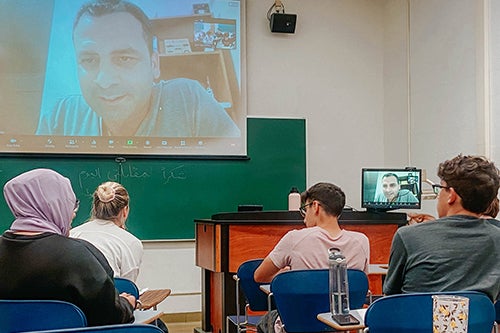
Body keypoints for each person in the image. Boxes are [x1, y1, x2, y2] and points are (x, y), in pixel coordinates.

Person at [35, 0, 240, 137]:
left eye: (124, 58)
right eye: (89, 60)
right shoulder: (61, 117)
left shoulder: (189, 99)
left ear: (154, 65)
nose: (105, 80)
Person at [0, 169, 135, 326]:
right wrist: (126, 303)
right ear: (55, 206)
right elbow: (111, 317)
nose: (72, 214)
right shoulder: (80, 256)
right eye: (70, 204)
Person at [254, 182, 370, 333]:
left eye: (305, 209)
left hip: (297, 323)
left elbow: (259, 275)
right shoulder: (361, 241)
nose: (304, 218)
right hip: (340, 326)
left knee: (266, 321)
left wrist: (286, 275)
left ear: (315, 206)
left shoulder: (295, 238)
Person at [383, 154, 500, 301]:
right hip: (477, 323)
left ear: (451, 195)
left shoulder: (407, 236)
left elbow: (390, 298)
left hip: (416, 323)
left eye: (440, 188)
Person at [70, 181, 143, 282]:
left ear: (95, 208)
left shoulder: (72, 234)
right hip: (110, 296)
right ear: (125, 211)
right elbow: (127, 287)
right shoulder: (131, 242)